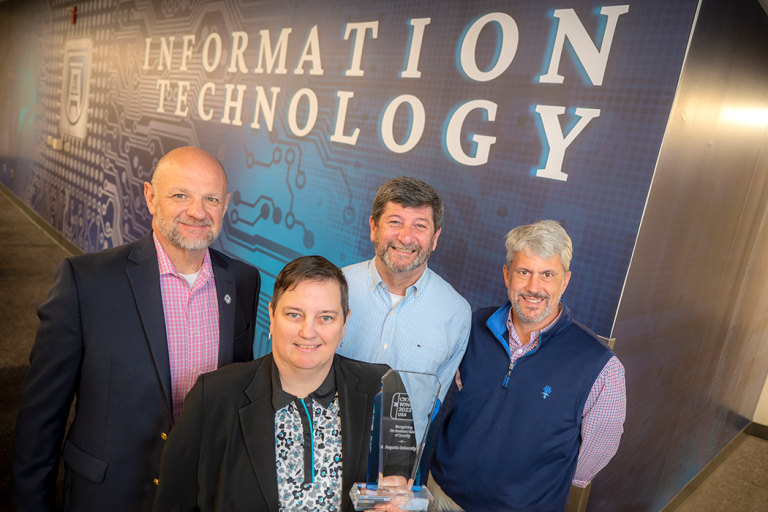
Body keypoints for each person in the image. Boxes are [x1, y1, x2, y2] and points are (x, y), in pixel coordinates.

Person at [12, 147, 261, 512]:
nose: (197, 211)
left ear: (225, 205)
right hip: (111, 495)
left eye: (211, 198)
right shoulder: (86, 282)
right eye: (181, 195)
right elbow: (40, 422)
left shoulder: (242, 281)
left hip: (204, 493)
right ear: (150, 197)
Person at [153, 255, 390, 512]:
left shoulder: (382, 389)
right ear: (272, 315)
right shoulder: (213, 397)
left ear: (345, 323)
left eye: (326, 318)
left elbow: (398, 491)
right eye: (294, 314)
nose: (308, 331)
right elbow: (173, 504)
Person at [429, 220, 626, 512]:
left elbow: (592, 458)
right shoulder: (472, 325)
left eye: (548, 274)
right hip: (441, 495)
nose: (534, 287)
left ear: (565, 281)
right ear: (507, 274)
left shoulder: (600, 365)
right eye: (524, 272)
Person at [337, 177, 471, 433]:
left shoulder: (457, 314)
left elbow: (431, 405)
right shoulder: (335, 289)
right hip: (326, 449)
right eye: (395, 222)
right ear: (374, 227)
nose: (406, 237)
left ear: (435, 237)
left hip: (396, 466)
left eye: (420, 226)